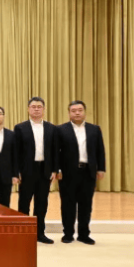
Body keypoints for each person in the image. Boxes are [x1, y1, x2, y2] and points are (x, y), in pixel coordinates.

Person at [56, 101, 106, 245]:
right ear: (69, 113)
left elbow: (100, 150)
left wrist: (101, 168)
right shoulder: (60, 130)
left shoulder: (94, 129)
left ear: (84, 112)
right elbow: (56, 152)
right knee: (68, 204)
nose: (77, 113)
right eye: (73, 111)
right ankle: (68, 234)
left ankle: (84, 234)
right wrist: (57, 169)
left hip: (88, 172)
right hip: (67, 173)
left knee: (86, 205)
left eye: (80, 110)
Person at [14, 97, 58, 244]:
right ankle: (23, 233)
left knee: (41, 203)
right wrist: (16, 171)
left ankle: (40, 233)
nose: (36, 109)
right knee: (24, 202)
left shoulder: (52, 128)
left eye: (39, 107)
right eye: (33, 107)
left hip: (45, 170)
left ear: (44, 109)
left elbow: (55, 151)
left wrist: (54, 170)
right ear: (28, 109)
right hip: (27, 170)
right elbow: (16, 152)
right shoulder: (20, 128)